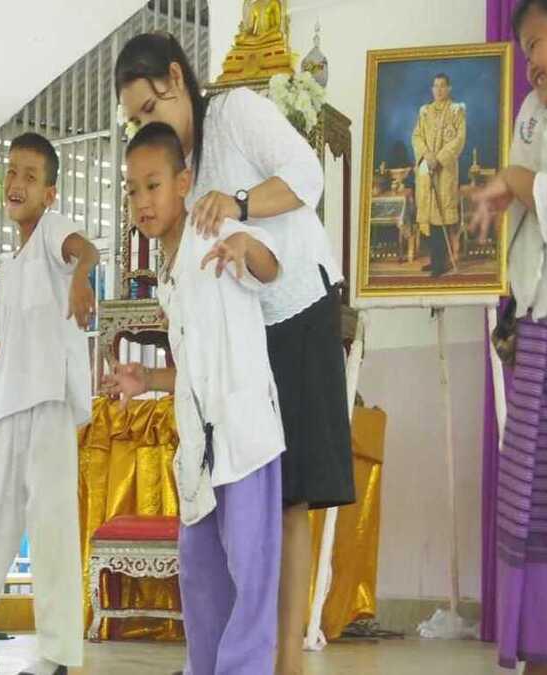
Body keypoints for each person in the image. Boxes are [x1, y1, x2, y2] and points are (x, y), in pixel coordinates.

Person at [115, 33, 354, 675]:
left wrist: (240, 203)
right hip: (243, 330)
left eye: (150, 107)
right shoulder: (174, 168)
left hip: (295, 304)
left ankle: (286, 661)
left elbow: (308, 177)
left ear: (176, 78)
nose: (147, 123)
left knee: (293, 493)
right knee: (240, 518)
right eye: (135, 120)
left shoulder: (235, 112)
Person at [102, 122, 286, 674]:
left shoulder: (213, 229)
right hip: (200, 450)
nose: (142, 201)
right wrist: (147, 380)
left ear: (183, 183)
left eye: (152, 185)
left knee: (250, 574)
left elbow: (271, 267)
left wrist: (246, 245)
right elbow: (192, 370)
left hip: (244, 437)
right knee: (201, 575)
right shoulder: (167, 276)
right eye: (132, 190)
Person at [0, 132, 99, 675]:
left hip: (49, 401)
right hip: (6, 406)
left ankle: (54, 657)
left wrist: (80, 280)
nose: (16, 183)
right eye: (12, 172)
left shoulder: (53, 231)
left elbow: (87, 250)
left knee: (51, 527)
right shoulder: (10, 266)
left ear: (49, 193)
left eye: (31, 176)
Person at [471, 1, 547, 673]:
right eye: (525, 49)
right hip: (537, 318)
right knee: (529, 495)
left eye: (538, 43)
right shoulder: (531, 113)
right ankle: (539, 650)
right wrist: (505, 191)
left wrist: (520, 182)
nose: (530, 61)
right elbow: (522, 189)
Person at [412, 72, 467, 276]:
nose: (439, 90)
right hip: (427, 169)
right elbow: (416, 136)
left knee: (441, 217)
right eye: (435, 86)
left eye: (442, 86)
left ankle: (440, 263)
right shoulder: (425, 112)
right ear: (432, 89)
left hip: (445, 171)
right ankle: (434, 260)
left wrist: (440, 158)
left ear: (449, 88)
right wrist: (426, 154)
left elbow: (459, 139)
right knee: (428, 217)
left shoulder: (456, 111)